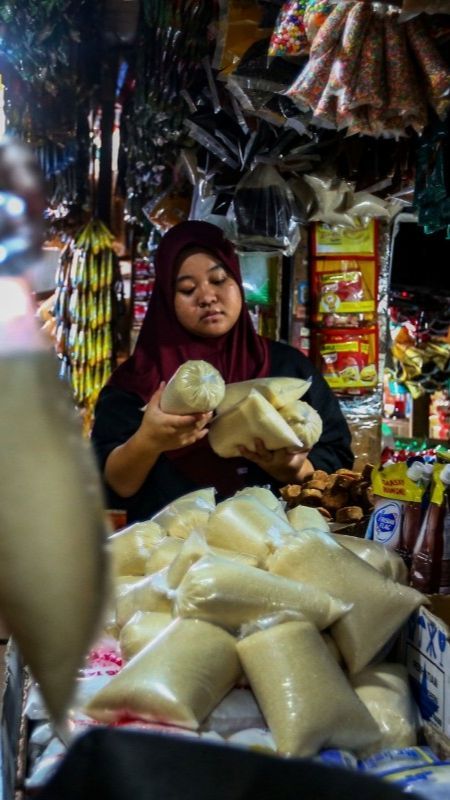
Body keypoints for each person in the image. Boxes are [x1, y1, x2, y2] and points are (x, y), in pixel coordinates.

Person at [92, 220, 353, 522]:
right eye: (187, 289)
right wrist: (148, 441)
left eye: (218, 280)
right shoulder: (139, 381)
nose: (207, 297)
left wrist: (296, 470)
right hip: (171, 556)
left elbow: (338, 462)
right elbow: (112, 486)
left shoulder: (288, 368)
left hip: (274, 554)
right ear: (166, 299)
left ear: (237, 281)